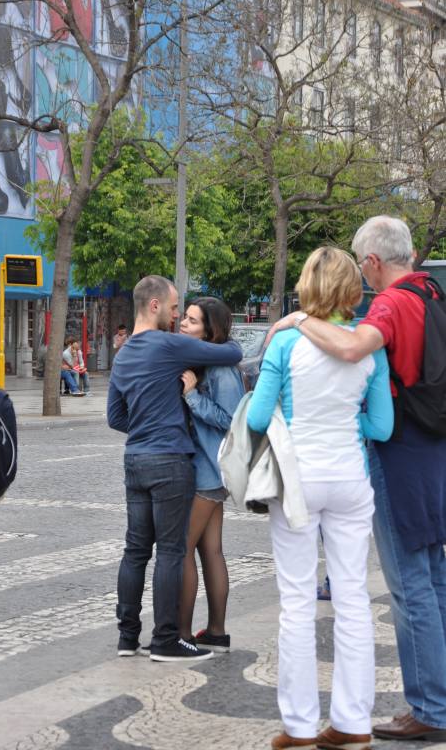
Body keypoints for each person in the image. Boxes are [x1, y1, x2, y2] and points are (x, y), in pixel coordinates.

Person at [271, 217, 446, 744]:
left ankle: (431, 707)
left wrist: (299, 320)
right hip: (436, 453)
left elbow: (352, 348)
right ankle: (435, 699)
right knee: (435, 580)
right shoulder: (435, 292)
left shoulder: (393, 303)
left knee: (409, 584)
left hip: (401, 456)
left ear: (372, 262)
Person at [247, 247, 393, 750]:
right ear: (353, 290)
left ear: (307, 286)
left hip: (298, 482)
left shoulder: (287, 341)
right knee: (353, 601)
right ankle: (354, 722)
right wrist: (346, 421)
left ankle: (300, 726)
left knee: (296, 604)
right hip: (351, 479)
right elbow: (382, 425)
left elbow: (257, 418)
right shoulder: (369, 346)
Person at [107, 275, 242, 662]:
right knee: (170, 551)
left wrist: (145, 424)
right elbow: (231, 355)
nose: (176, 314)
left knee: (135, 551)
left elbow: (116, 416)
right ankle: (167, 639)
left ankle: (127, 637)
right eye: (173, 307)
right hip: (169, 460)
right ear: (154, 306)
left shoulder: (125, 354)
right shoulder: (168, 345)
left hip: (135, 459)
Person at [178, 297, 245, 652]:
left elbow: (231, 418)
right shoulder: (204, 361)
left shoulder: (220, 369)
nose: (183, 324)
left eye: (191, 320)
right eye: (184, 318)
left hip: (209, 470)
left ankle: (183, 634)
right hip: (205, 468)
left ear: (210, 328)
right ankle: (216, 632)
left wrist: (192, 396)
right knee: (210, 550)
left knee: (182, 549)